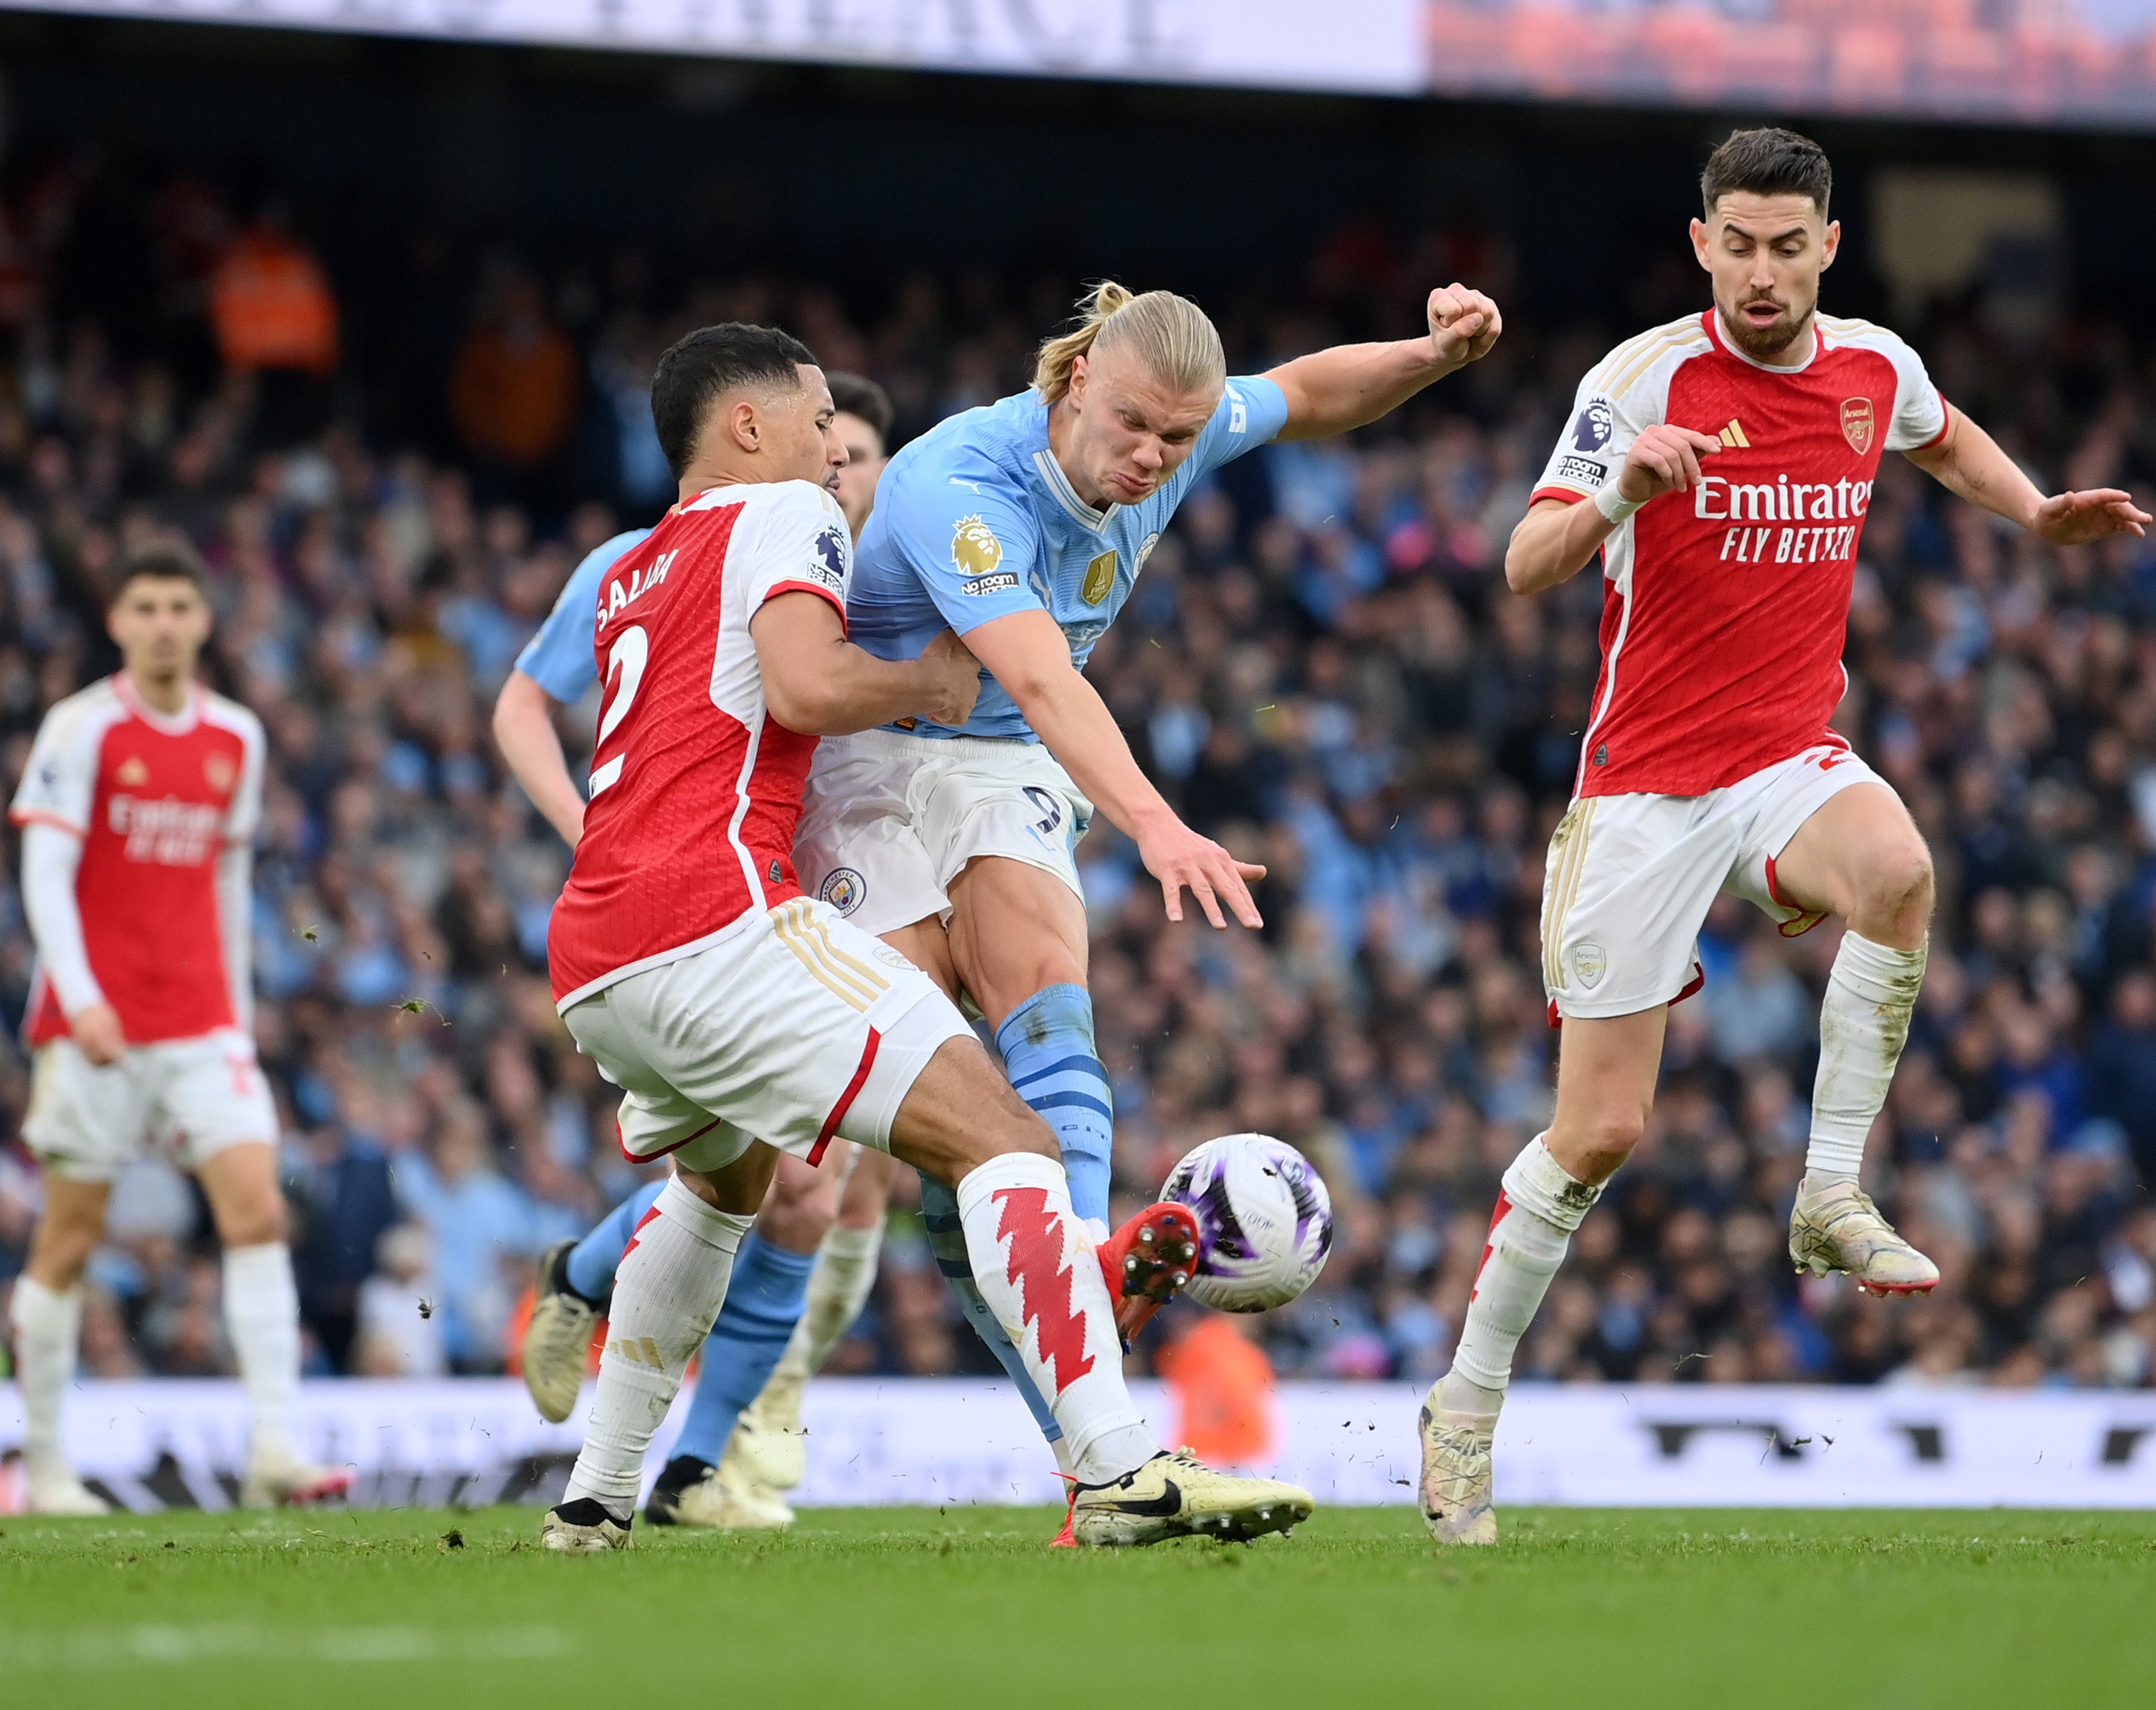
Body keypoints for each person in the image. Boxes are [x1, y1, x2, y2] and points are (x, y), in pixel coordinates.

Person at [1416, 126, 2152, 1546]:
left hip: (1784, 756)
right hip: (1640, 788)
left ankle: (1828, 1189)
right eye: (1735, 245)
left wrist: (2031, 509)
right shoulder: (1638, 379)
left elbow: (1939, 438)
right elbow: (1518, 564)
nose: (1760, 271)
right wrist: (1622, 488)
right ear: (1702, 245)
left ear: (1827, 246)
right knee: (1600, 1129)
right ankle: (1462, 1403)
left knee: (1898, 869)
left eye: (1785, 244)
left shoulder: (1874, 364)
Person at [540, 321, 1310, 1550]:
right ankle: (1116, 1467)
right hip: (718, 918)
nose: (838, 455)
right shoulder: (786, 516)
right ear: (747, 428)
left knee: (718, 1191)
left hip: (593, 947)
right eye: (811, 421)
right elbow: (803, 686)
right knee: (1002, 1137)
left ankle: (592, 1498)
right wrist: (922, 686)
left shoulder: (636, 566)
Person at [804, 277, 1501, 1533]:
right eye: (1130, 427)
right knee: (926, 1136)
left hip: (1005, 762)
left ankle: (1094, 1387)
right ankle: (612, 1312)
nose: (1150, 457)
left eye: (1176, 440)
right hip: (863, 764)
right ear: (1072, 383)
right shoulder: (963, 478)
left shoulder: (1173, 435)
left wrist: (1431, 355)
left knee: (1046, 1034)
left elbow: (1305, 393)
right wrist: (1156, 819)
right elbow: (1033, 671)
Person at [496, 373, 900, 1529]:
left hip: (850, 880)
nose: (845, 466)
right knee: (797, 1181)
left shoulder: (885, 571)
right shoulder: (660, 550)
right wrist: (592, 827)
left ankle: (696, 1434)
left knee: (828, 1194)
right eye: (833, 438)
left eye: (864, 450)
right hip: (726, 891)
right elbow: (523, 704)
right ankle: (690, 1460)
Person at [7, 546, 349, 1514]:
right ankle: (42, 1468)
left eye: (179, 606)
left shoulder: (236, 736)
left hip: (202, 1018)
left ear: (205, 622)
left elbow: (229, 881)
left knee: (257, 1212)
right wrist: (79, 997)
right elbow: (43, 874)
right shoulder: (79, 728)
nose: (163, 623)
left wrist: (236, 1017)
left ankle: (274, 1447)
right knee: (68, 1239)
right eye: (145, 606)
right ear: (117, 622)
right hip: (94, 1023)